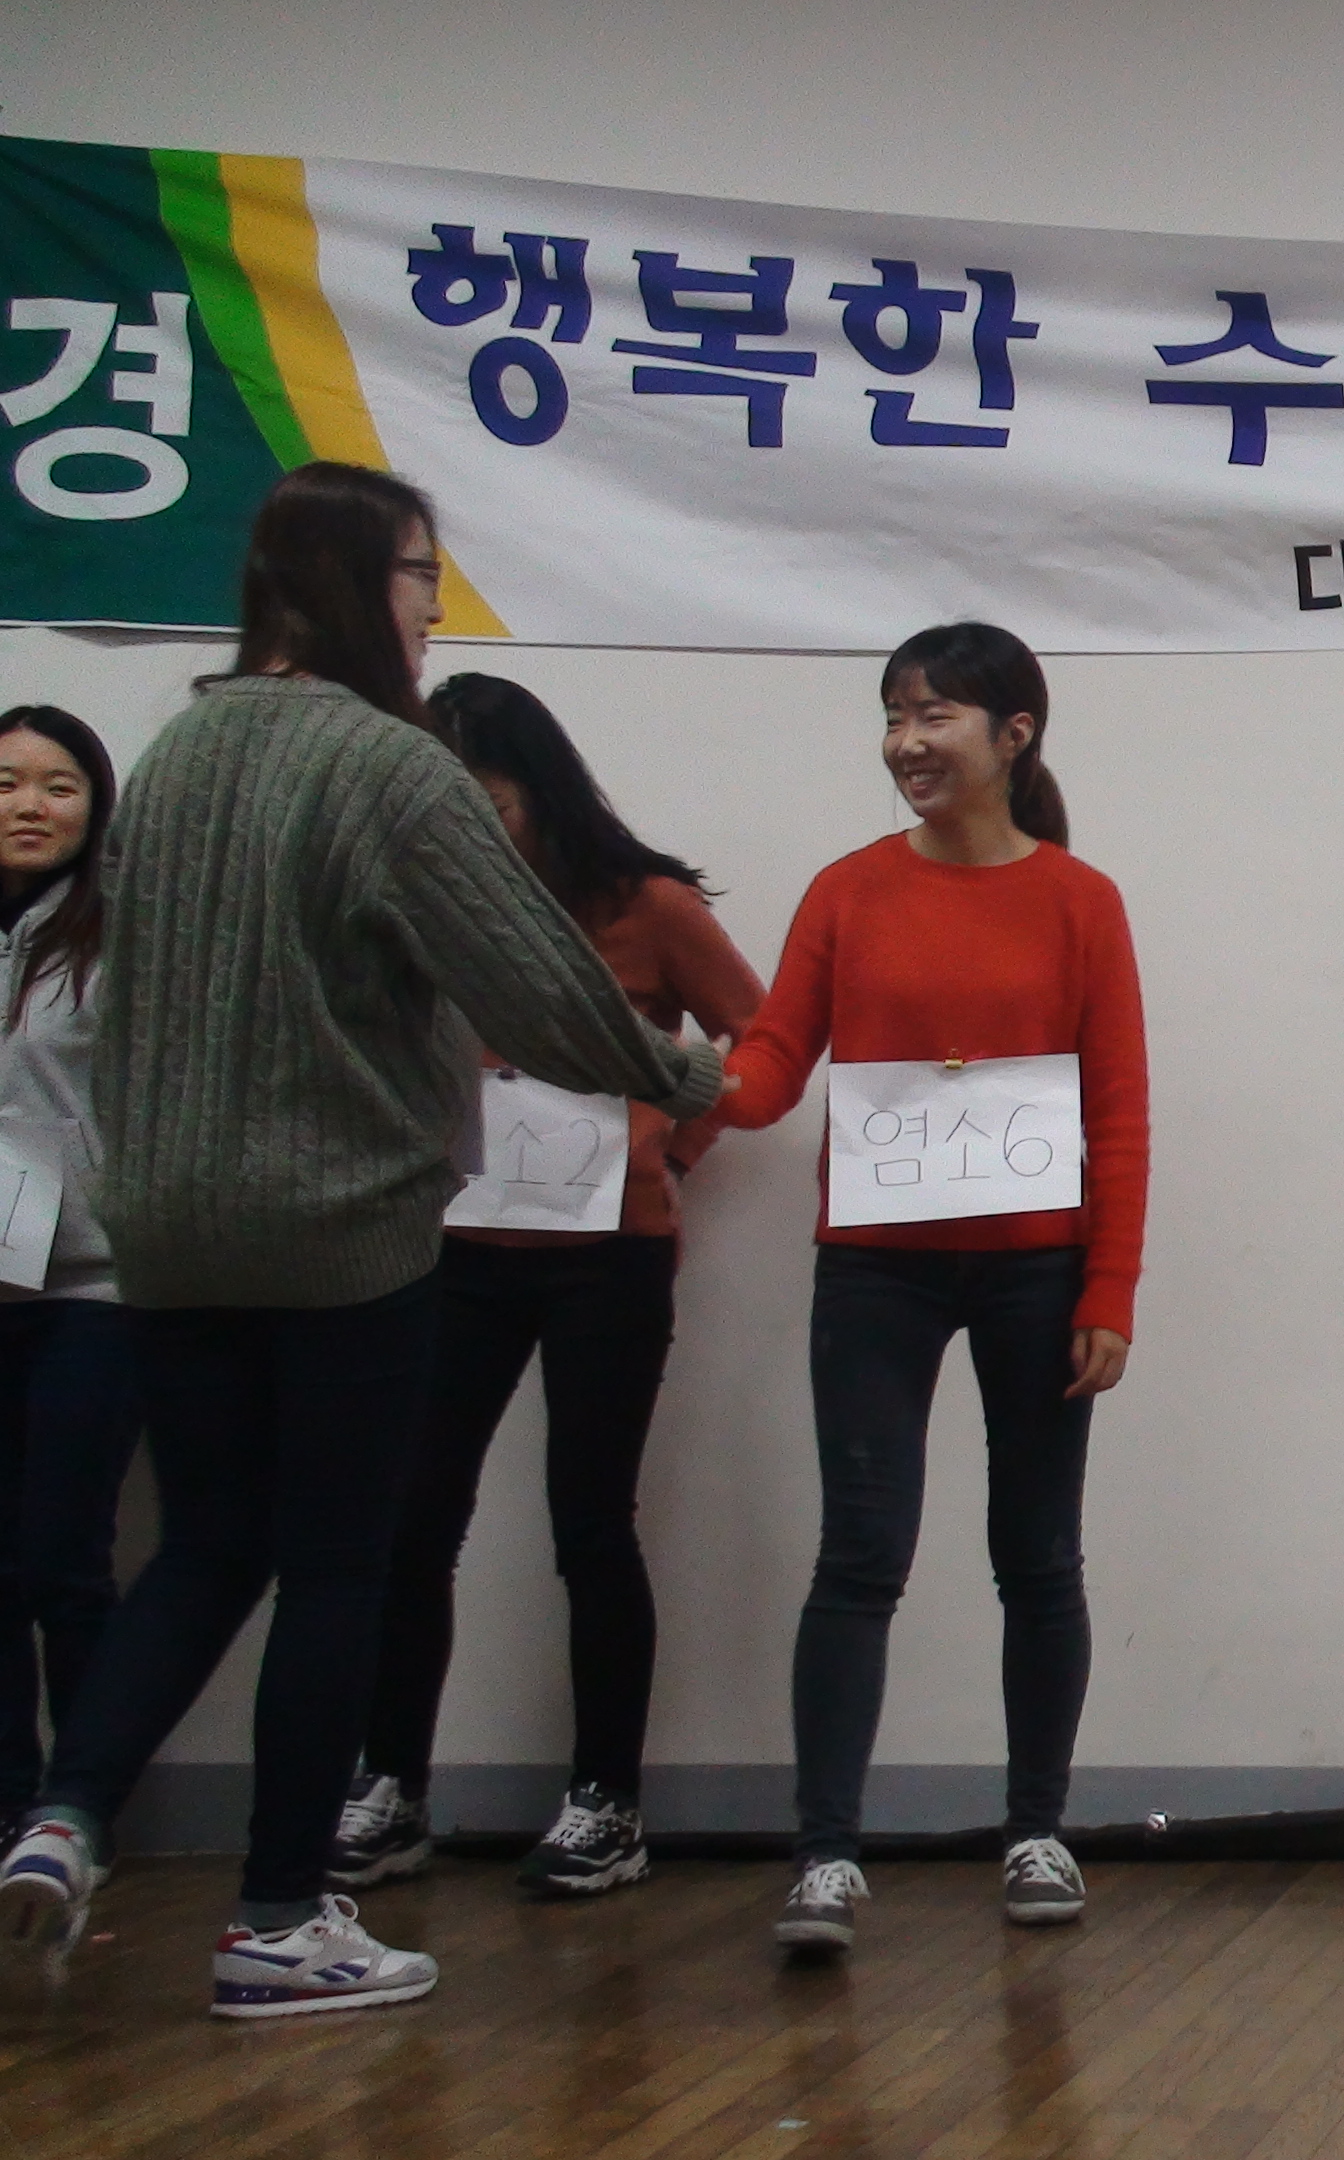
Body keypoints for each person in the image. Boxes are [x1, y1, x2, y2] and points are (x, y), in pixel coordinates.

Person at [0, 462, 724, 2018]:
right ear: (350, 584)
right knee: (340, 1566)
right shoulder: (392, 767)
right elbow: (538, 982)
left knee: (208, 1545)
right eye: (417, 579)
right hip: (338, 1230)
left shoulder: (176, 753)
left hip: (168, 1231)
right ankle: (278, 1918)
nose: (430, 612)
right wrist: (683, 1079)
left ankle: (63, 1814)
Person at [710, 622, 1146, 1955]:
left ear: (1016, 735)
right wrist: (669, 1077)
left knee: (1039, 1557)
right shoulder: (847, 891)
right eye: (895, 714)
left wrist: (1110, 1288)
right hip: (878, 1270)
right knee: (861, 1553)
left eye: (935, 714)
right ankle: (826, 1855)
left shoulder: (1080, 900)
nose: (907, 740)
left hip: (1037, 1271)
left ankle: (1036, 1831)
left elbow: (1120, 1112)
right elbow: (770, 1068)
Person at [330, 673, 766, 1900]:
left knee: (592, 1523)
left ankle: (606, 1801)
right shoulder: (413, 899)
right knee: (414, 1520)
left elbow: (763, 1038)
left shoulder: (647, 906)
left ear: (534, 784)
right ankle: (390, 1785)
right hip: (454, 1251)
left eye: (481, 795)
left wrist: (668, 1144)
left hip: (606, 1260)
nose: (459, 819)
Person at [0, 706, 136, 1836]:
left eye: (58, 785)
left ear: (95, 805)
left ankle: (80, 1813)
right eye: (5, 783)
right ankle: (9, 1806)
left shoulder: (124, 931)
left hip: (94, 1285)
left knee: (62, 1559)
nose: (29, 806)